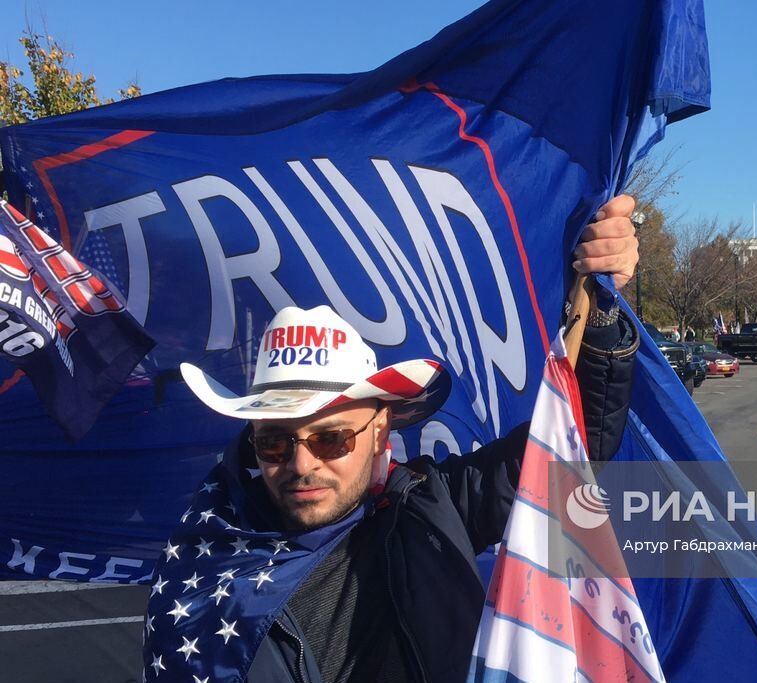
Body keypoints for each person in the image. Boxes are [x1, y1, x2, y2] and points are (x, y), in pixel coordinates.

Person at [143, 196, 641, 683]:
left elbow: (572, 448)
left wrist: (597, 302)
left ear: (380, 431)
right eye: (274, 443)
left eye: (331, 438)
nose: (300, 464)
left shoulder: (435, 506)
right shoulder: (210, 566)